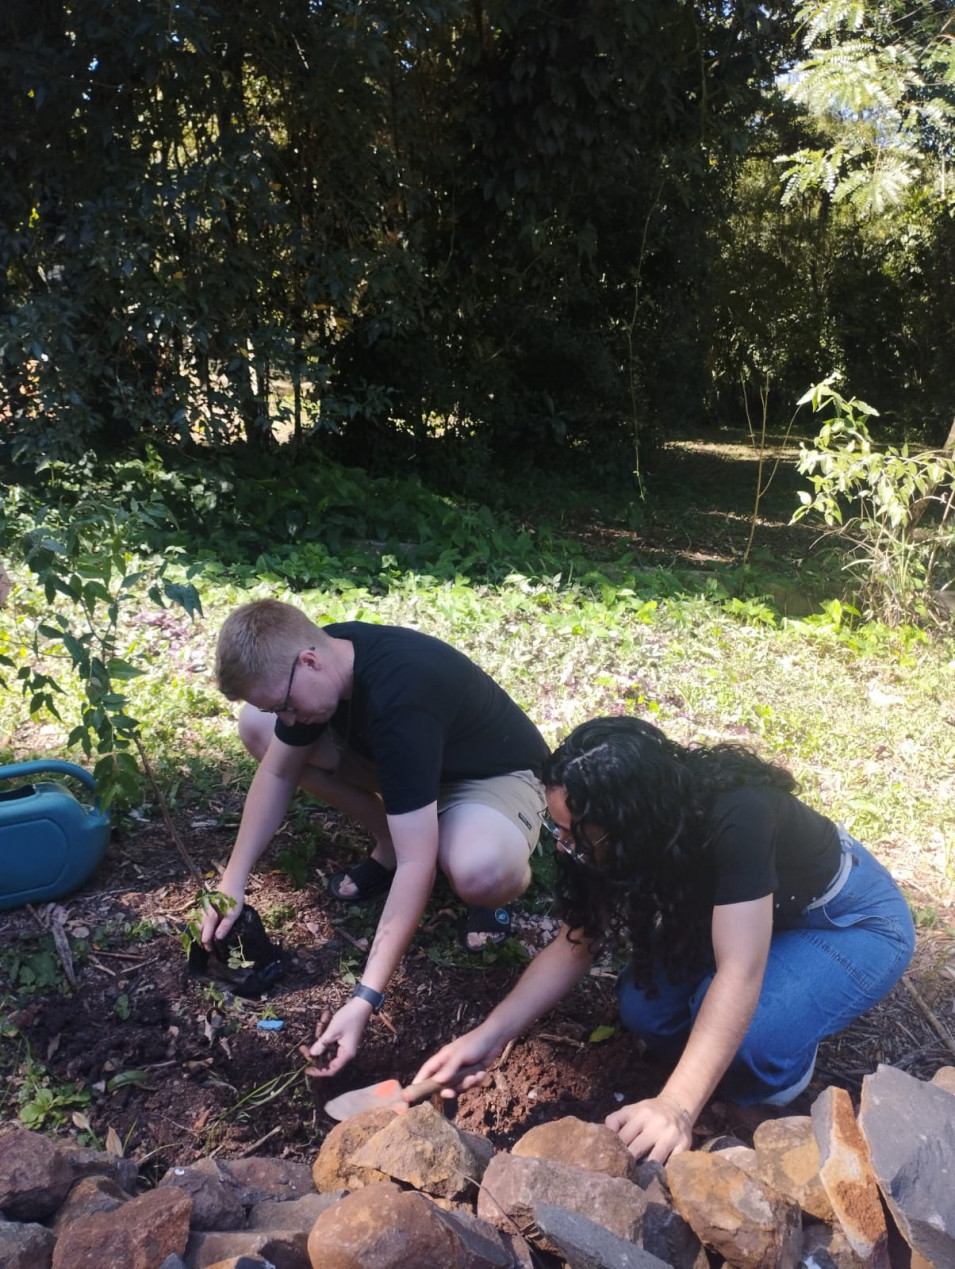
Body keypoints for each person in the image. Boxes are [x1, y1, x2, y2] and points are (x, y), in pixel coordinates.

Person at [415, 716, 915, 1164]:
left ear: (632, 823)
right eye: (558, 828)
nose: (563, 845)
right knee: (645, 1010)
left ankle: (784, 1068)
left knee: (756, 1036)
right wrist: (489, 1036)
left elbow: (740, 970)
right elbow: (578, 941)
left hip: (847, 922)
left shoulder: (740, 815)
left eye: (576, 836)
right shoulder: (612, 831)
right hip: (751, 911)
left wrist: (677, 1107)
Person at [201, 598, 548, 1076]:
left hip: (489, 776)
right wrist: (231, 883)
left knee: (477, 870)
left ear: (309, 662)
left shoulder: (399, 693)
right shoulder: (325, 659)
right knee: (260, 731)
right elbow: (278, 774)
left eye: (285, 704)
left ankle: (472, 843)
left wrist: (365, 997)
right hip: (406, 760)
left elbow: (416, 865)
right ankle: (395, 834)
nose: (290, 717)